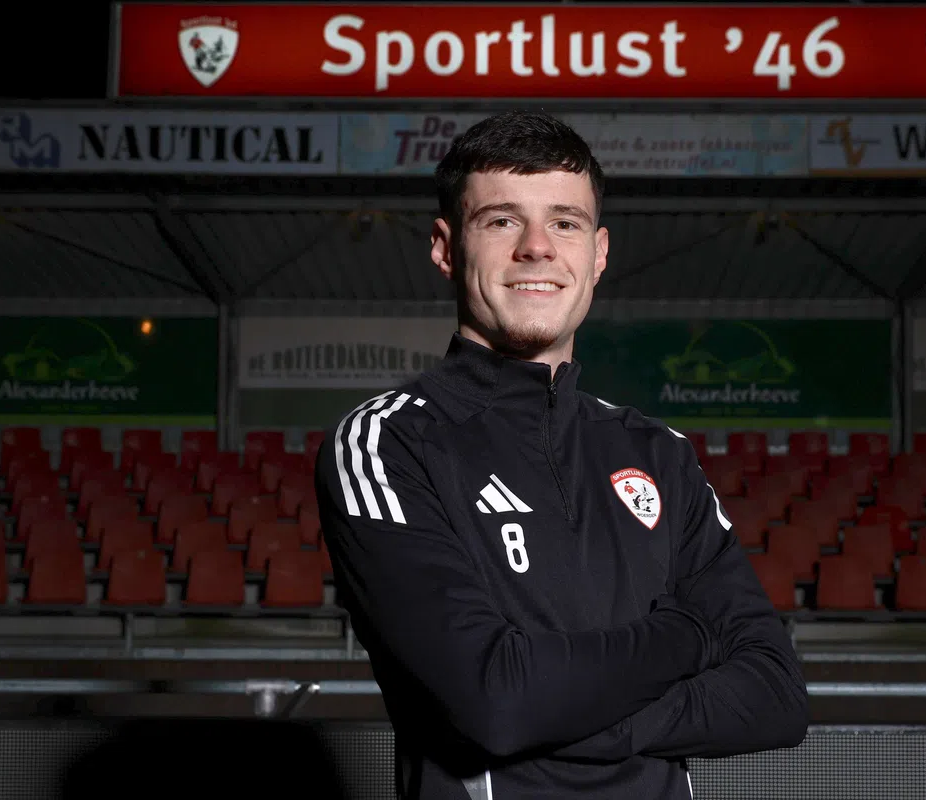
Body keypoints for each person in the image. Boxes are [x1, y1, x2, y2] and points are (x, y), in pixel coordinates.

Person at [315, 111, 808, 800]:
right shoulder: (387, 442)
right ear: (446, 248)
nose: (537, 248)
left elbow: (778, 696)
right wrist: (692, 635)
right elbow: (495, 703)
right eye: (502, 221)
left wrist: (576, 715)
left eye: (565, 223)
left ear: (598, 253)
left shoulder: (660, 455)